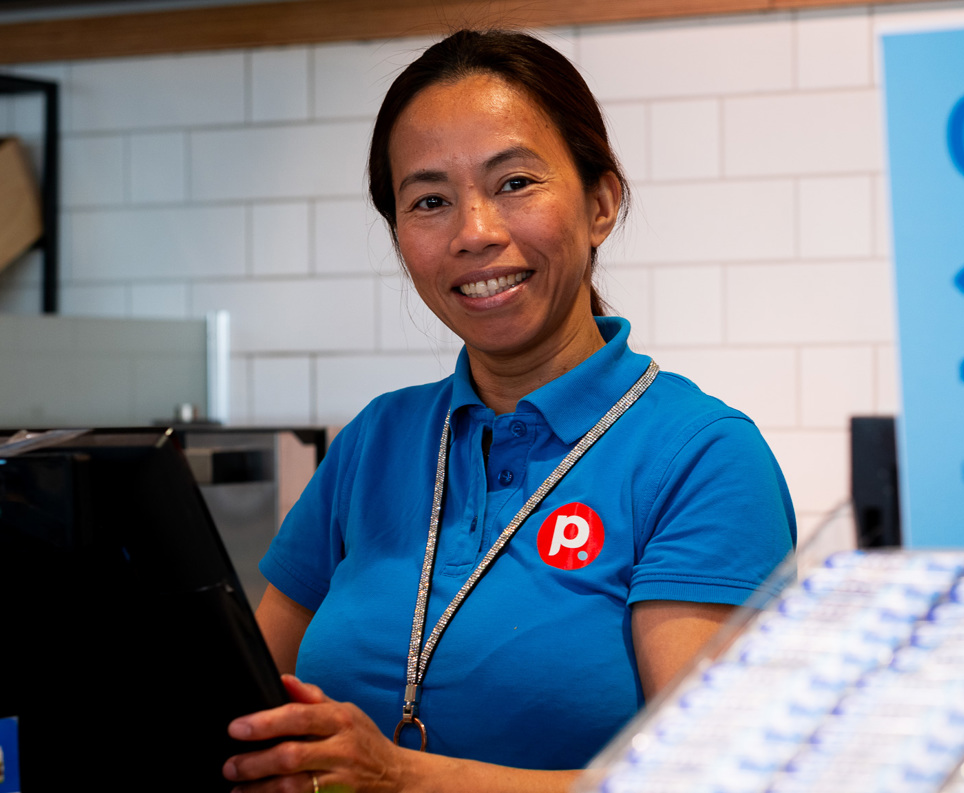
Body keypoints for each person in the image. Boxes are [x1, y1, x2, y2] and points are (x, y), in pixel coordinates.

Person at [222, 28, 796, 793]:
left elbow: (706, 778)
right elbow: (248, 707)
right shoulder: (376, 442)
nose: (474, 233)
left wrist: (399, 775)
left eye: (515, 183)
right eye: (429, 200)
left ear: (601, 203)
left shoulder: (700, 456)